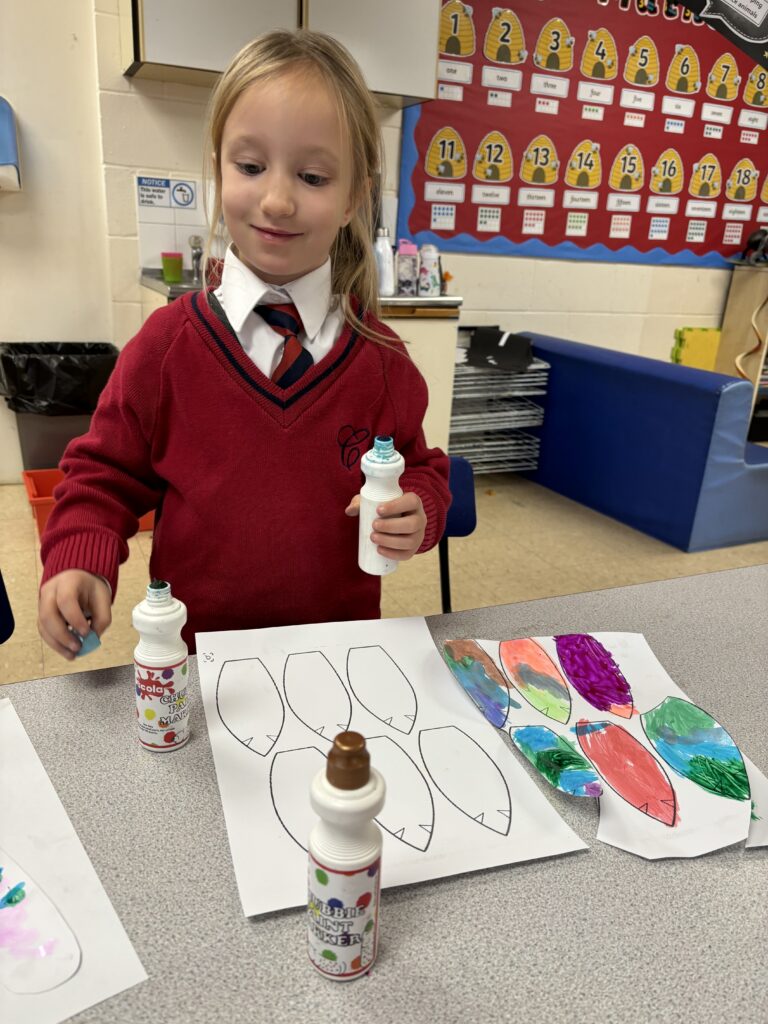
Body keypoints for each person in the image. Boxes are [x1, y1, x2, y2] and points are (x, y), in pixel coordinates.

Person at [37, 29, 451, 659]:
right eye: (251, 167)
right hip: (197, 662)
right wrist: (80, 558)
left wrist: (419, 509)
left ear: (353, 200)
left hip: (339, 660)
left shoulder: (383, 364)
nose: (277, 200)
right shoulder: (166, 348)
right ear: (218, 170)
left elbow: (423, 468)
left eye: (312, 176)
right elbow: (103, 475)